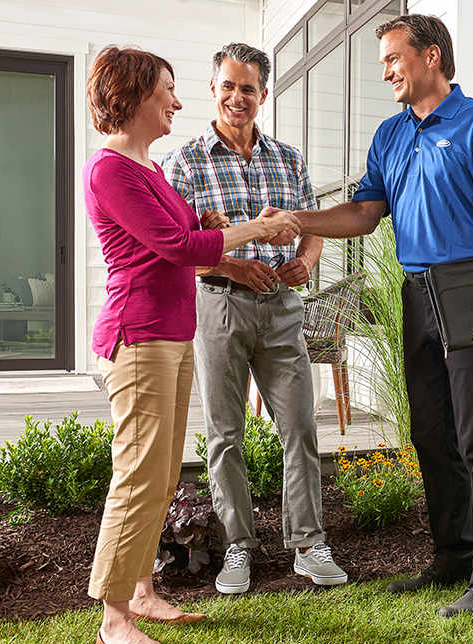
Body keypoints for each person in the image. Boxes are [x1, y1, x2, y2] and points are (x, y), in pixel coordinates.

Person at [294, 14, 473, 618]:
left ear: (431, 56)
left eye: (394, 59)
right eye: (383, 63)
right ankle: (454, 555)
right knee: (430, 431)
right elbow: (365, 213)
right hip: (416, 290)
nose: (386, 73)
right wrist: (297, 220)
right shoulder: (390, 134)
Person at [84, 46, 297, 644]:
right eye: (167, 91)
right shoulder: (110, 171)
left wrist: (209, 221)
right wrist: (257, 228)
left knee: (162, 475)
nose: (177, 103)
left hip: (172, 334)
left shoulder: (148, 169)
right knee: (138, 475)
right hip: (139, 336)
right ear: (133, 96)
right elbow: (180, 248)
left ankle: (142, 591)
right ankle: (114, 618)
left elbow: (189, 234)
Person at [161, 43, 347, 596]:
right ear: (213, 89)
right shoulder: (185, 162)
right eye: (228, 86)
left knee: (300, 427)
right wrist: (232, 266)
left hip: (283, 309)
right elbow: (177, 246)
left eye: (247, 88)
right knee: (225, 433)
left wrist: (306, 261)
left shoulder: (288, 159)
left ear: (263, 94)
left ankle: (308, 544)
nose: (237, 97)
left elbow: (313, 226)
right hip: (219, 304)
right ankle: (238, 544)